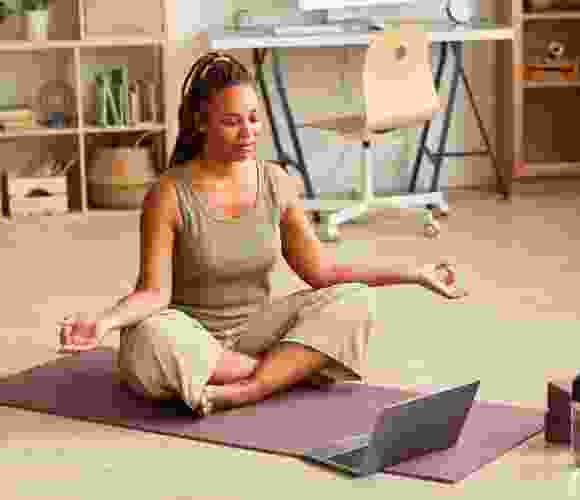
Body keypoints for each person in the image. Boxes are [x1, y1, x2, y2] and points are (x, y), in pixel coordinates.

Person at [57, 52, 468, 417]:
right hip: (190, 335)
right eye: (232, 122)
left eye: (253, 119)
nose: (248, 132)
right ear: (201, 123)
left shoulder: (275, 181)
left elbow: (322, 271)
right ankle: (285, 368)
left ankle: (250, 389)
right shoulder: (168, 194)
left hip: (254, 331)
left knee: (356, 298)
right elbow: (153, 295)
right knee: (146, 339)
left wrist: (416, 271)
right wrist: (103, 321)